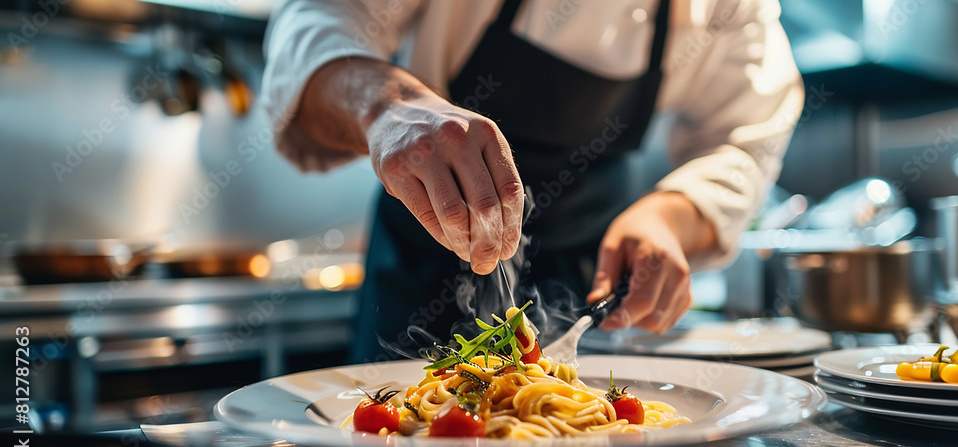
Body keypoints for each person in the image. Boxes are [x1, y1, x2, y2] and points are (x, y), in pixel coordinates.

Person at [261, 0, 804, 363]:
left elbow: (747, 136)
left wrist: (672, 215)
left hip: (592, 285)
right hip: (420, 269)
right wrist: (387, 106)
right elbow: (317, 22)